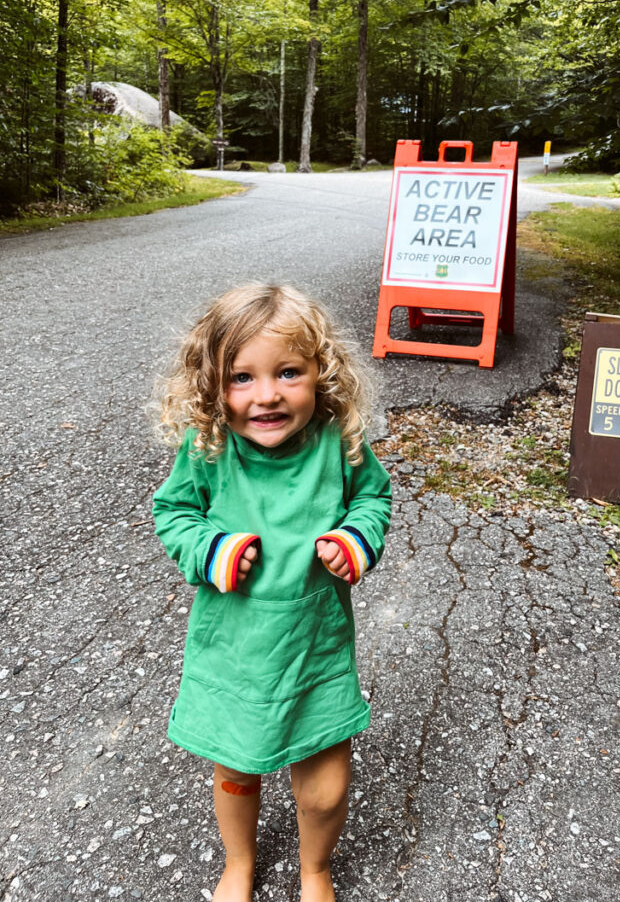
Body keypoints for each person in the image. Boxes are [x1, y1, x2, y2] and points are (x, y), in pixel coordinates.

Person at [152, 284, 391, 902]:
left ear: (321, 374)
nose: (267, 395)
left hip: (314, 645)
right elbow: (173, 513)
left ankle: (315, 868)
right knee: (237, 767)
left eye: (289, 372)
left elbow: (373, 498)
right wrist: (212, 550)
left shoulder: (339, 443)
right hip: (234, 647)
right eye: (241, 377)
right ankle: (238, 862)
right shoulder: (207, 450)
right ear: (211, 386)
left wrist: (357, 537)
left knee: (325, 788)